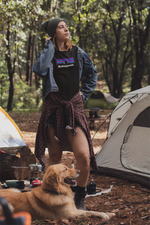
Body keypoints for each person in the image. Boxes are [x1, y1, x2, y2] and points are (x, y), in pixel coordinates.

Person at [32, 18, 98, 210]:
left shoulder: (77, 52)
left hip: (73, 108)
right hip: (53, 109)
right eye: (61, 27)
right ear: (53, 33)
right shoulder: (48, 54)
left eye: (66, 26)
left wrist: (84, 94)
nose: (66, 29)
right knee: (54, 156)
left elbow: (91, 73)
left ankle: (80, 196)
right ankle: (54, 195)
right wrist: (50, 46)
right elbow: (39, 69)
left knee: (84, 157)